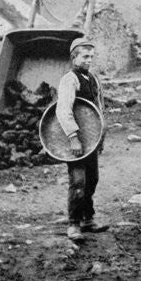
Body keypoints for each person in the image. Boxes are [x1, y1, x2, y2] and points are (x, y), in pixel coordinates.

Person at [56, 37, 109, 241]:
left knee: (92, 179)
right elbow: (63, 110)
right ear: (74, 57)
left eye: (91, 57)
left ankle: (88, 218)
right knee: (78, 181)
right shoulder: (70, 79)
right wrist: (73, 138)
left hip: (91, 141)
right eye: (85, 56)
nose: (89, 60)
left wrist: (101, 137)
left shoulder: (93, 78)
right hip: (76, 141)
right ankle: (73, 224)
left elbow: (99, 109)